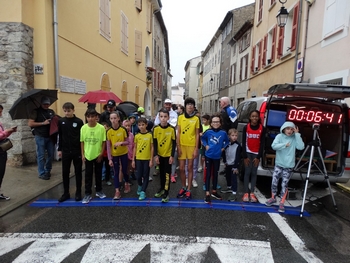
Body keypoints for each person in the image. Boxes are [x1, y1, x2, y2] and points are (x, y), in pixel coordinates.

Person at [265, 121, 304, 213]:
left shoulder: (295, 137)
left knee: (284, 184)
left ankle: (282, 202)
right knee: (274, 181)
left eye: (291, 129)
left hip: (289, 166)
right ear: (283, 129)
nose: (289, 131)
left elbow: (301, 147)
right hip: (279, 164)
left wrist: (298, 135)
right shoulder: (279, 136)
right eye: (287, 128)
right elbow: (273, 146)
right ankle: (273, 197)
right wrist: (284, 145)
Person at [57, 102, 84, 202]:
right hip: (66, 151)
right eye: (65, 111)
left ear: (73, 110)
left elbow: (82, 137)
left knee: (78, 172)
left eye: (69, 111)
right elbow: (59, 135)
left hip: (76, 150)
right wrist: (59, 149)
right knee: (65, 172)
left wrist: (82, 152)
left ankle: (78, 192)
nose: (67, 113)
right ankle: (66, 193)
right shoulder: (61, 121)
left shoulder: (79, 121)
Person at [201, 113, 229, 203]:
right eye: (214, 122)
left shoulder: (223, 133)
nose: (215, 123)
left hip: (217, 156)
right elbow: (203, 138)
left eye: (217, 122)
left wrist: (223, 148)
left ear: (220, 123)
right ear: (211, 123)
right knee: (208, 174)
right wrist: (205, 145)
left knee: (215, 174)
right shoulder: (208, 132)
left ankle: (214, 191)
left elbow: (227, 142)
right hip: (208, 156)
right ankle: (207, 193)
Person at [80, 108, 107, 204]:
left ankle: (99, 191)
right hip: (88, 155)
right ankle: (87, 194)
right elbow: (82, 142)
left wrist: (101, 153)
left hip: (98, 154)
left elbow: (104, 142)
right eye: (88, 117)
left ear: (96, 117)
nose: (90, 119)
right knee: (88, 175)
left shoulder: (101, 128)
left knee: (98, 174)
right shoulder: (83, 128)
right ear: (86, 118)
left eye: (92, 116)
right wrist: (83, 154)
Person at [176, 97, 200, 200]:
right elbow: (178, 132)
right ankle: (183, 187)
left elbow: (197, 134)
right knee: (181, 168)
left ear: (194, 107)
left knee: (190, 167)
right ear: (185, 106)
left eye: (191, 104)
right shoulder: (180, 117)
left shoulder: (196, 119)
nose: (190, 106)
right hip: (182, 145)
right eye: (188, 104)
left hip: (191, 146)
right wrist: (178, 146)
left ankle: (189, 189)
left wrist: (196, 149)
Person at [28, 96, 56, 180]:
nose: (46, 105)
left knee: (51, 155)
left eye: (48, 104)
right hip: (40, 136)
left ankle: (48, 170)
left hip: (50, 136)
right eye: (44, 104)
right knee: (41, 155)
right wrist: (43, 123)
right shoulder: (35, 112)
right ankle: (41, 173)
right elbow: (30, 124)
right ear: (41, 104)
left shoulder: (51, 112)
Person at [153, 108, 176, 203]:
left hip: (168, 156)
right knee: (161, 174)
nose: (163, 118)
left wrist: (172, 156)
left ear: (168, 118)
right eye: (161, 116)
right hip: (160, 155)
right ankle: (162, 188)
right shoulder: (156, 128)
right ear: (159, 117)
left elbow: (174, 143)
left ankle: (166, 192)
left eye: (165, 116)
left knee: (167, 175)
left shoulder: (171, 129)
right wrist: (155, 155)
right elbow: (154, 143)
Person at [242, 110, 265, 203]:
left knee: (254, 172)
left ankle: (252, 192)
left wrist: (259, 156)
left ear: (259, 117)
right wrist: (244, 156)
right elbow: (243, 142)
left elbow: (262, 143)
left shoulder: (262, 128)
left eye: (256, 116)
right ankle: (245, 193)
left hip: (256, 153)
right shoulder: (246, 127)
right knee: (247, 172)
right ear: (250, 117)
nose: (254, 118)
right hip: (247, 152)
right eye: (253, 116)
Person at [106, 111, 130, 200]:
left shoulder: (123, 129)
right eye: (111, 118)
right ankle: (117, 191)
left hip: (123, 153)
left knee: (124, 170)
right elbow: (108, 146)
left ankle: (127, 183)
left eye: (115, 118)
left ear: (118, 119)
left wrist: (121, 143)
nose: (113, 120)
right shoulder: (109, 131)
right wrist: (109, 159)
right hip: (114, 155)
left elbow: (128, 142)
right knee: (116, 172)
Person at [153, 98, 178, 177]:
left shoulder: (174, 113)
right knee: (160, 156)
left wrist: (166, 124)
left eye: (169, 104)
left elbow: (174, 124)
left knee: (169, 155)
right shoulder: (159, 113)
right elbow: (156, 122)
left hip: (170, 134)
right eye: (166, 104)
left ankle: (171, 173)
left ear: (171, 105)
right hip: (161, 133)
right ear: (164, 104)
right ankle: (158, 169)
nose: (168, 105)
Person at [132, 117, 154, 200]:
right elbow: (135, 147)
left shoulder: (149, 135)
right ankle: (140, 186)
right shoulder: (137, 136)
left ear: (146, 125)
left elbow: (152, 148)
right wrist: (133, 160)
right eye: (139, 125)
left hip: (147, 159)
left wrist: (151, 160)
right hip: (138, 159)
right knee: (138, 176)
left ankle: (143, 191)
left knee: (145, 175)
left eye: (143, 125)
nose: (141, 126)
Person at [0, 104, 17, 200]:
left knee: (1, 173)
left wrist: (11, 131)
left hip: (2, 151)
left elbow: (3, 135)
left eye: (1, 112)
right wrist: (7, 131)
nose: (1, 114)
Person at [221, 128, 242, 201]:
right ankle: (229, 187)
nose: (234, 137)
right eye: (232, 135)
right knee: (227, 176)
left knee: (234, 178)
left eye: (236, 135)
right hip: (228, 163)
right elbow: (223, 153)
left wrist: (236, 167)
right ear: (229, 136)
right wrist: (225, 161)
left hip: (234, 164)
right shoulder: (226, 144)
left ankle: (234, 193)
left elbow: (238, 157)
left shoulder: (238, 145)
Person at [101, 122, 113, 186]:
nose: (104, 129)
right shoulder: (100, 135)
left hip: (107, 154)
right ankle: (99, 180)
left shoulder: (109, 135)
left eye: (105, 128)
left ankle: (107, 179)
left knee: (107, 167)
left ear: (108, 128)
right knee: (99, 168)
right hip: (101, 154)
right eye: (103, 128)